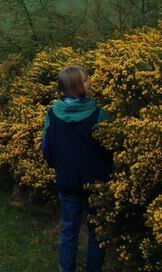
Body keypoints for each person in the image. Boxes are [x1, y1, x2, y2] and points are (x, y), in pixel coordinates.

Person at [42, 66, 113, 272]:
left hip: (68, 180)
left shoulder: (52, 115)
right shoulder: (100, 114)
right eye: (86, 79)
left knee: (69, 231)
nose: (90, 81)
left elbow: (47, 147)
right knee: (97, 231)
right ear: (76, 86)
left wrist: (59, 166)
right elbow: (110, 148)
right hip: (97, 181)